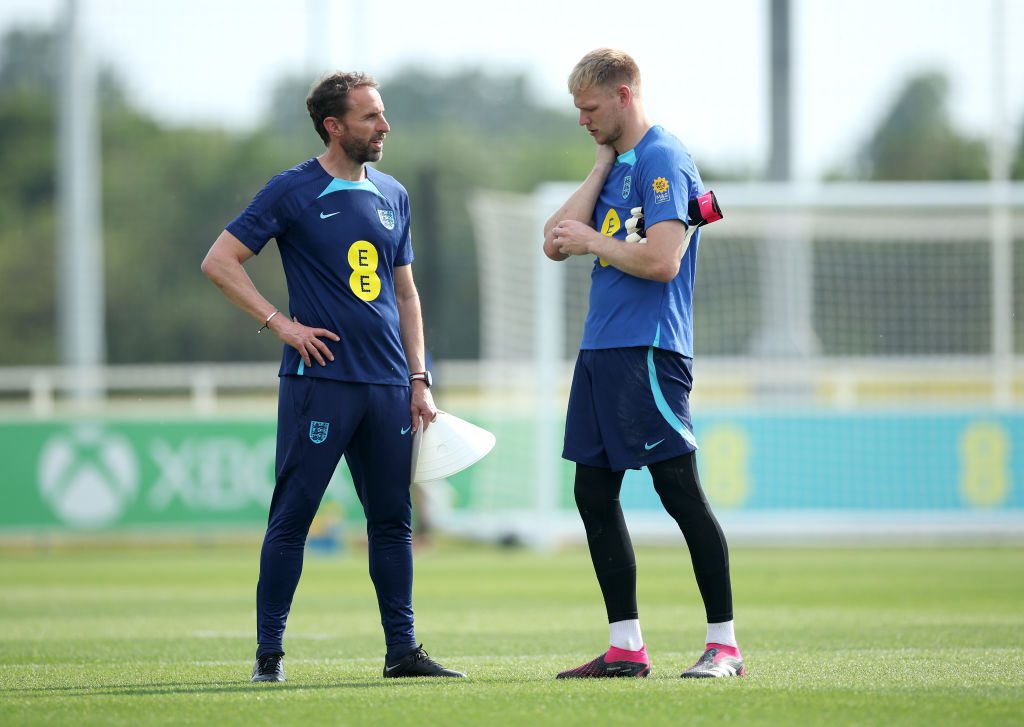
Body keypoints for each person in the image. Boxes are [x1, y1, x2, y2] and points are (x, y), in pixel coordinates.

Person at [201, 71, 464, 682]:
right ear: (334, 126)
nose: (384, 126)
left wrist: (419, 379)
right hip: (319, 383)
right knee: (293, 516)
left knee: (392, 521)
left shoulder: (394, 193)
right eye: (370, 116)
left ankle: (403, 652)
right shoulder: (293, 189)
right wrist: (281, 324)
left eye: (383, 113)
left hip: (388, 387)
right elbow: (219, 261)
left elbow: (405, 293)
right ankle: (269, 657)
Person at [542, 49, 744, 679]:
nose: (583, 119)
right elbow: (554, 241)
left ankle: (724, 646)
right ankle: (626, 647)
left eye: (591, 108)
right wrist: (600, 165)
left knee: (678, 489)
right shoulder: (618, 162)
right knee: (592, 492)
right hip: (603, 350)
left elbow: (662, 262)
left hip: (649, 349)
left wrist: (596, 241)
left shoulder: (663, 158)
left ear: (624, 95)